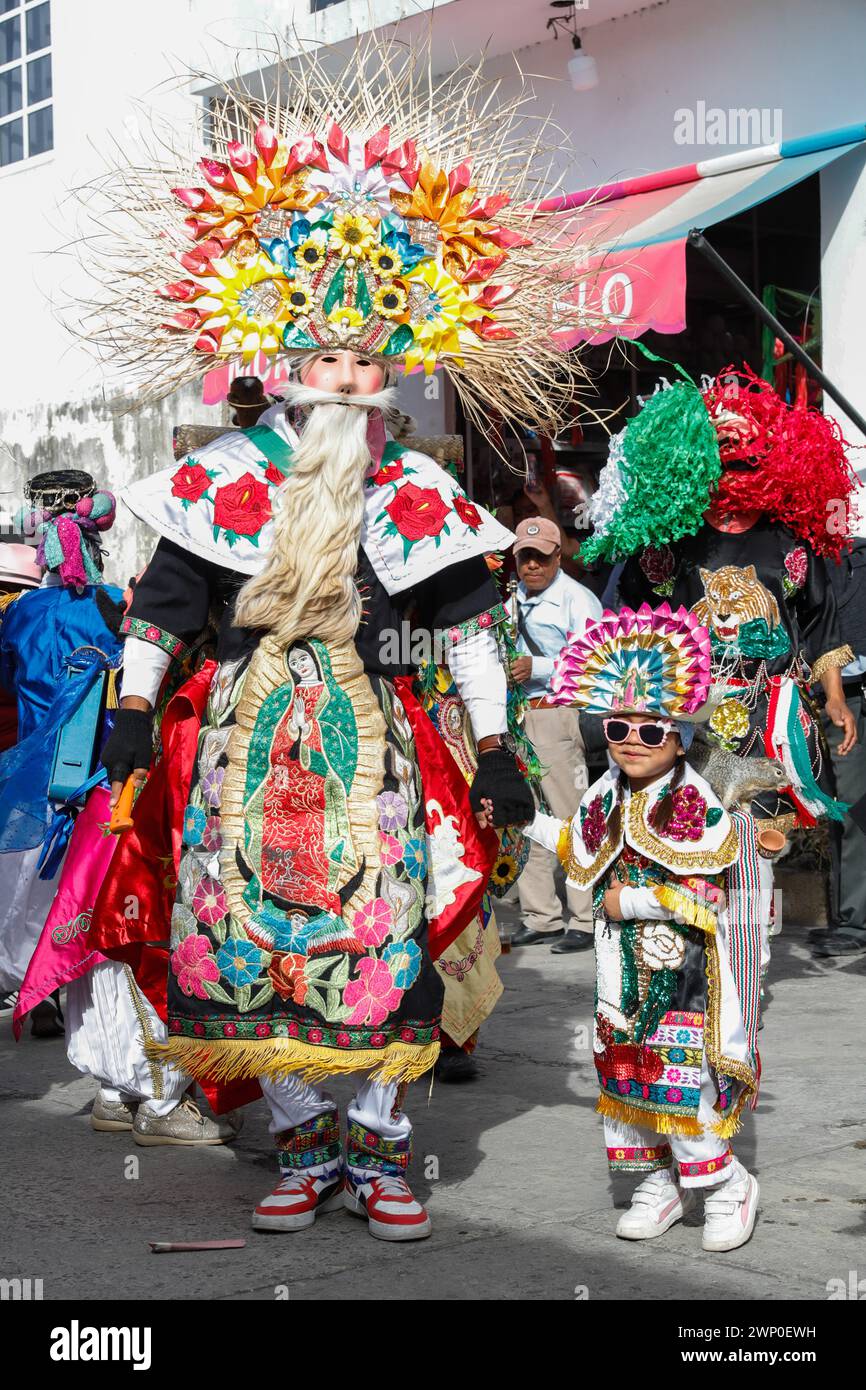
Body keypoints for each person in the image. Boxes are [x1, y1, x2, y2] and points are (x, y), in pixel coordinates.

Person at [76, 35, 594, 1242]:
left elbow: (466, 621)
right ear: (287, 366)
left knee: (381, 938)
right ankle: (303, 1147)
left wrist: (498, 742)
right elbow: (164, 603)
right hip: (245, 745)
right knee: (246, 944)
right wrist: (136, 708)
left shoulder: (413, 487)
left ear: (389, 372)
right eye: (326, 355)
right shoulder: (219, 482)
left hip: (378, 747)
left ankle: (384, 1153)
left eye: (365, 357)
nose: (347, 374)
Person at [523, 603, 767, 1253]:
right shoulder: (609, 794)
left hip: (679, 969)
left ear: (680, 738)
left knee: (676, 1074)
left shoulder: (690, 800)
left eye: (650, 731)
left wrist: (626, 904)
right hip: (617, 969)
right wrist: (521, 818)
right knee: (622, 1073)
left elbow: (700, 898)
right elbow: (581, 848)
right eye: (618, 726)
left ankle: (724, 1184)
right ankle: (659, 1181)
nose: (631, 739)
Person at [585, 362, 858, 834]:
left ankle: (763, 908)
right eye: (723, 460)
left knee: (776, 837)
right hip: (692, 713)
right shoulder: (670, 541)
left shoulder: (787, 541)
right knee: (692, 831)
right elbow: (635, 621)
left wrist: (834, 695)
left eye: (746, 462)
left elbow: (818, 617)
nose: (735, 472)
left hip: (774, 712)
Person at [509, 516, 602, 953]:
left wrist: (539, 667)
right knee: (528, 816)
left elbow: (594, 664)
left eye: (540, 557)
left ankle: (585, 918)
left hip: (557, 713)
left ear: (557, 556)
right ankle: (540, 915)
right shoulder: (510, 601)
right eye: (524, 558)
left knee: (571, 816)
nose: (531, 566)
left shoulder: (577, 600)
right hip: (518, 716)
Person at [818, 537, 866, 956]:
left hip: (853, 694)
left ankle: (854, 922)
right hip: (832, 695)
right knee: (841, 808)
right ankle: (848, 917)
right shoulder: (812, 557)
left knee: (853, 809)